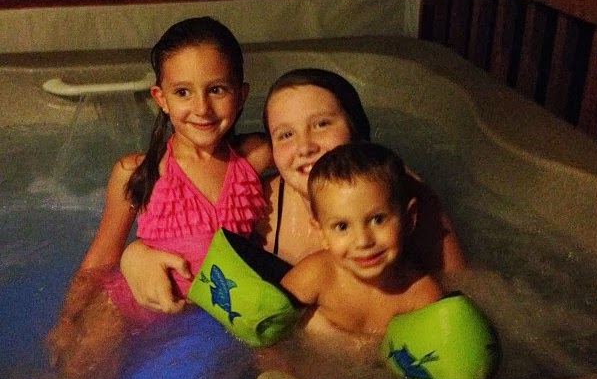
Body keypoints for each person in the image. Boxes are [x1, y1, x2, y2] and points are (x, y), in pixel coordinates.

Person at [46, 16, 271, 379]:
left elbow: (316, 153)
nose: (201, 108)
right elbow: (102, 256)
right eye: (183, 92)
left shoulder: (253, 158)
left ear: (241, 95)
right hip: (126, 306)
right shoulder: (138, 172)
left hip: (215, 307)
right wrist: (69, 319)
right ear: (160, 98)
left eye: (217, 90)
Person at [120, 68, 465, 312]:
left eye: (322, 124)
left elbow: (460, 290)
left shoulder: (400, 191)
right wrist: (134, 256)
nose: (304, 147)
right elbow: (200, 258)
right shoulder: (262, 203)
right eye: (285, 134)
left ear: (357, 130)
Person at [280, 142, 443, 339]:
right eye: (342, 226)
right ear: (321, 233)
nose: (363, 241)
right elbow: (268, 335)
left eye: (378, 219)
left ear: (409, 218)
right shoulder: (314, 277)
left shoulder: (422, 298)